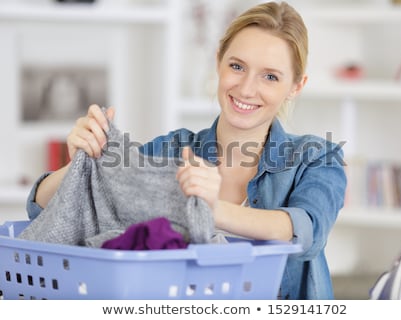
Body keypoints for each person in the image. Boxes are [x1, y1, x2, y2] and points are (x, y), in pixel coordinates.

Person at [26, 1, 346, 299]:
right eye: (237, 66)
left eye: (271, 76)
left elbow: (305, 232)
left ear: (295, 87)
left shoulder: (316, 158)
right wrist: (84, 158)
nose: (247, 88)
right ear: (219, 60)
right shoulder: (172, 149)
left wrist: (212, 209)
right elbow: (42, 207)